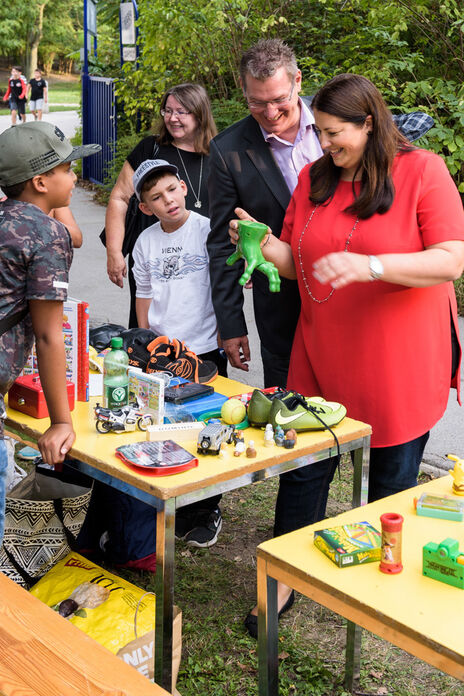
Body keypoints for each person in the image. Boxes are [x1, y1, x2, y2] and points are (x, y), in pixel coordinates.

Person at [228, 73, 464, 635]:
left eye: (336, 134)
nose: (326, 143)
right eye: (322, 133)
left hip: (399, 359)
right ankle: (281, 582)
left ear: (369, 123)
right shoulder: (315, 177)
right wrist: (261, 241)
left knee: (392, 478)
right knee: (305, 470)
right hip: (321, 352)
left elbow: (451, 259)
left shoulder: (421, 171)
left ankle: (382, 590)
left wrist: (372, 267)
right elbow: (295, 260)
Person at [207, 38, 434, 387]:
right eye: (257, 102)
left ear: (298, 80)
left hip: (361, 304)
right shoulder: (228, 150)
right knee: (290, 418)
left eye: (280, 99)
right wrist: (231, 325)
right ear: (243, 90)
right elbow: (223, 243)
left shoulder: (344, 117)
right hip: (284, 310)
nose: (270, 114)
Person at [0, 121, 100, 544]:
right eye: (66, 168)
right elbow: (48, 335)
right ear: (40, 182)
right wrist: (61, 422)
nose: (74, 176)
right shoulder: (47, 233)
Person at [104, 83, 217, 329]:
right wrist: (114, 252)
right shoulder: (150, 148)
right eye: (167, 111)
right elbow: (119, 198)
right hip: (154, 259)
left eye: (181, 112)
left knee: (203, 325)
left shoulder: (220, 154)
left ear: (200, 113)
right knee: (147, 322)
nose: (172, 118)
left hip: (202, 261)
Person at [132, 159, 222, 380]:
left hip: (205, 344)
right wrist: (146, 342)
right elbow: (144, 293)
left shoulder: (207, 231)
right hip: (163, 350)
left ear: (183, 187)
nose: (168, 200)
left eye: (171, 189)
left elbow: (222, 287)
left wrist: (223, 336)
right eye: (156, 197)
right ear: (146, 208)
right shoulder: (145, 241)